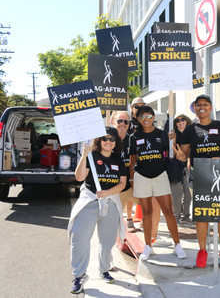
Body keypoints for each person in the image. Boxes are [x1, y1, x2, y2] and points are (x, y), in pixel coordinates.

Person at [175, 94, 220, 269]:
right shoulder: (189, 130)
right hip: (198, 175)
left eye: (205, 104)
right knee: (202, 215)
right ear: (194, 108)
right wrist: (181, 156)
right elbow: (184, 154)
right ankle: (202, 251)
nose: (201, 107)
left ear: (210, 107)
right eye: (198, 105)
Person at [68, 127, 127, 294]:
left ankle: (104, 269)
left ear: (116, 142)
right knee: (79, 238)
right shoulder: (91, 156)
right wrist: (84, 156)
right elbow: (79, 177)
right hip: (90, 201)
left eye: (112, 139)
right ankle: (79, 275)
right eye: (105, 138)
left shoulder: (118, 159)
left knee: (107, 241)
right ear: (99, 140)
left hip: (111, 202)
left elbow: (122, 184)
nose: (108, 142)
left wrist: (107, 193)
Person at [129, 106, 186, 260]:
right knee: (146, 213)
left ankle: (177, 245)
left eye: (148, 115)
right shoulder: (134, 137)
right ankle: (148, 246)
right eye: (141, 116)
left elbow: (172, 154)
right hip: (141, 176)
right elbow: (133, 160)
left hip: (160, 176)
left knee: (168, 212)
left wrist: (175, 146)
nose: (145, 119)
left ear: (153, 117)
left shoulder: (162, 134)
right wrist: (132, 179)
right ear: (138, 119)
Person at [112, 111, 140, 233]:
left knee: (147, 204)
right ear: (113, 122)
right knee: (112, 215)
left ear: (129, 124)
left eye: (125, 122)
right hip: (111, 182)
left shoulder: (132, 139)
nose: (122, 124)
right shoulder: (108, 139)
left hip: (129, 182)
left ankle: (131, 220)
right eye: (119, 121)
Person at [170, 113, 193, 224]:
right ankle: (176, 216)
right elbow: (171, 151)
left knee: (188, 193)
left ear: (187, 121)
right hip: (175, 166)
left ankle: (186, 215)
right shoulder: (173, 134)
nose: (180, 122)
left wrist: (187, 159)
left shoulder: (192, 133)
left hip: (188, 166)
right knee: (176, 194)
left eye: (182, 119)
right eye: (177, 121)